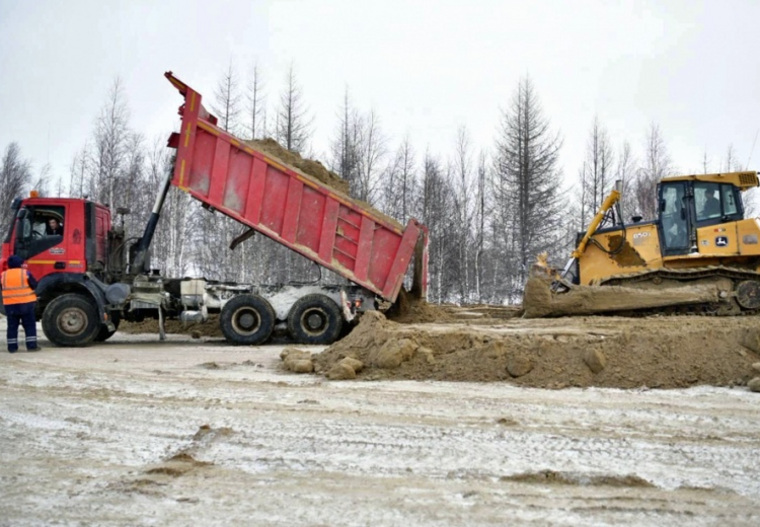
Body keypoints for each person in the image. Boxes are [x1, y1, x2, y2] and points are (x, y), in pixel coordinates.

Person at [1, 256, 41, 353]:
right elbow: (34, 285)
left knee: (12, 326)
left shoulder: (3, 275)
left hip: (10, 305)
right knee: (29, 325)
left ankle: (12, 347)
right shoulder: (25, 273)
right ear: (20, 264)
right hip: (26, 304)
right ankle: (31, 346)